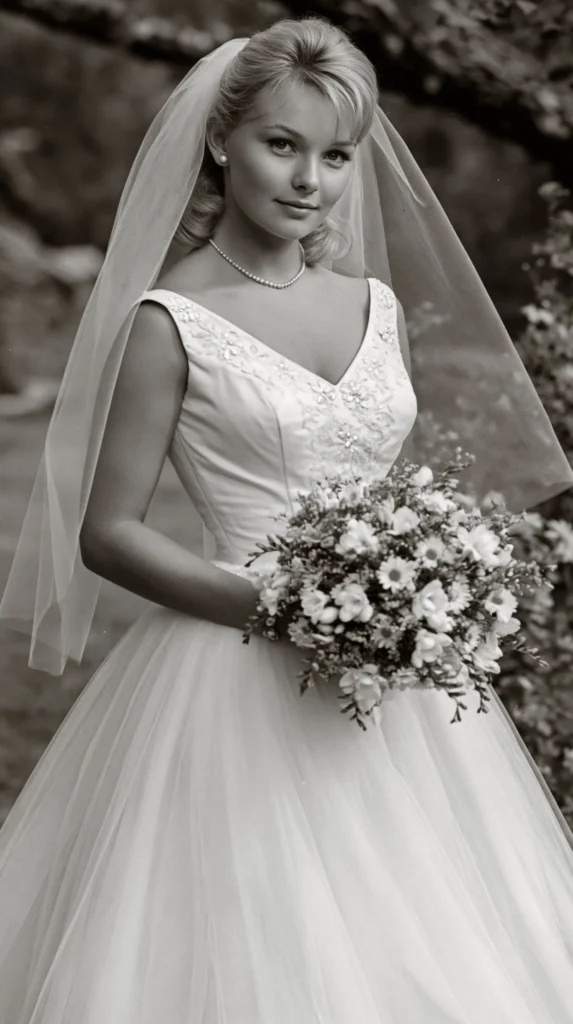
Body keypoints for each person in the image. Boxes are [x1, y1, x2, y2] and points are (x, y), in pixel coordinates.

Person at [1, 16, 573, 1022]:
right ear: (222, 142)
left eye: (336, 154)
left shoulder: (376, 304)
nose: (310, 177)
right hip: (236, 669)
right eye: (283, 143)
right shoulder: (169, 319)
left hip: (396, 685)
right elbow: (110, 531)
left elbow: (384, 484)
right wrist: (279, 605)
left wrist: (427, 577)